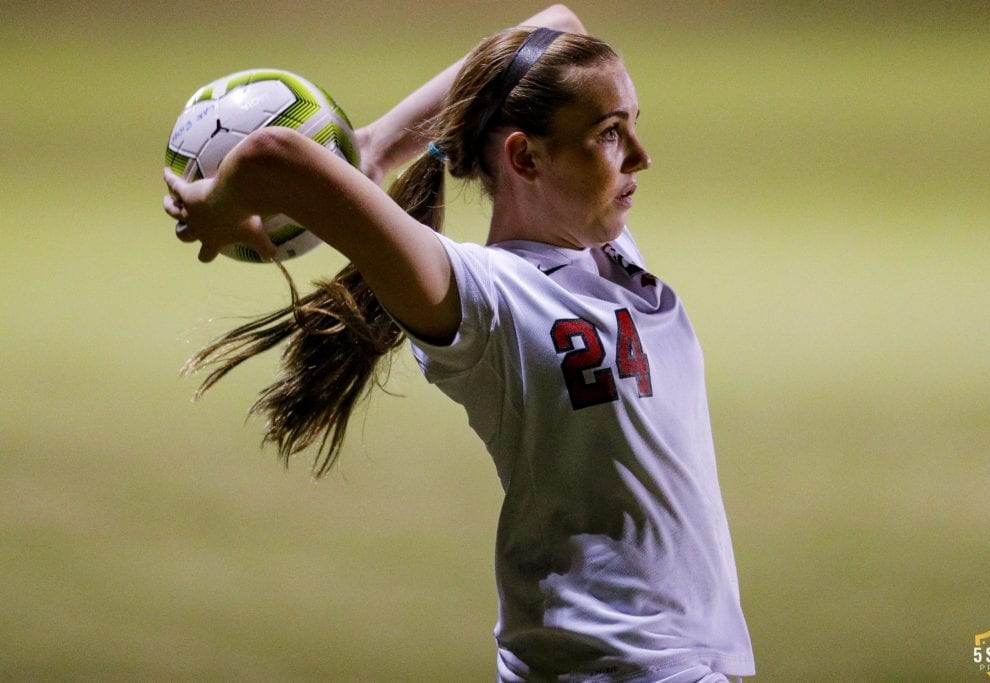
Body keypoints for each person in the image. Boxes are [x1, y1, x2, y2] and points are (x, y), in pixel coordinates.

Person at [163, 5, 755, 681]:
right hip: (610, 665)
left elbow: (562, 23)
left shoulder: (599, 245)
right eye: (611, 133)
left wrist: (385, 142)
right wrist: (218, 203)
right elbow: (276, 152)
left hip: (666, 662)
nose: (642, 157)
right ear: (526, 156)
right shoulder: (480, 295)